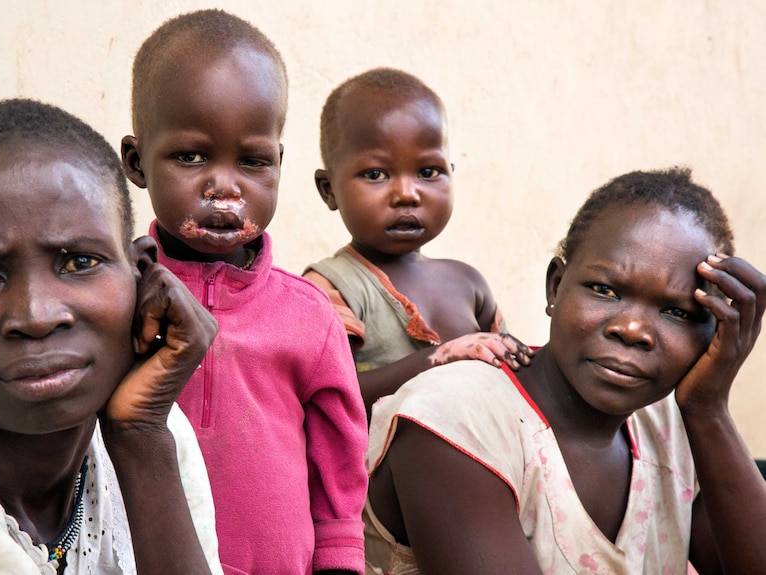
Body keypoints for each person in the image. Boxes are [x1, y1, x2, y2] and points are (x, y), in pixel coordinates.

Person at [363, 168, 766, 574]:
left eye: (677, 312)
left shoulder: (669, 423)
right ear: (555, 286)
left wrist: (707, 408)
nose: (632, 329)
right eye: (605, 290)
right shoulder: (455, 417)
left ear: (714, 331)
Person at [0, 99, 221, 575]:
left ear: (142, 277)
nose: (35, 316)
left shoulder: (161, 433)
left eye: (78, 263)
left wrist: (139, 437)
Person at [120, 10, 367, 575]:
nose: (225, 186)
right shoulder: (119, 297)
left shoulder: (307, 314)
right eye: (191, 157)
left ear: (279, 164)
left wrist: (338, 560)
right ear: (136, 163)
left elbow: (340, 453)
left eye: (252, 162)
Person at [303, 68, 532, 417]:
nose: (407, 194)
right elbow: (328, 399)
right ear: (329, 189)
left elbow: (515, 378)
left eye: (428, 172)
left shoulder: (469, 284)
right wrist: (438, 358)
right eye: (376, 174)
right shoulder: (333, 287)